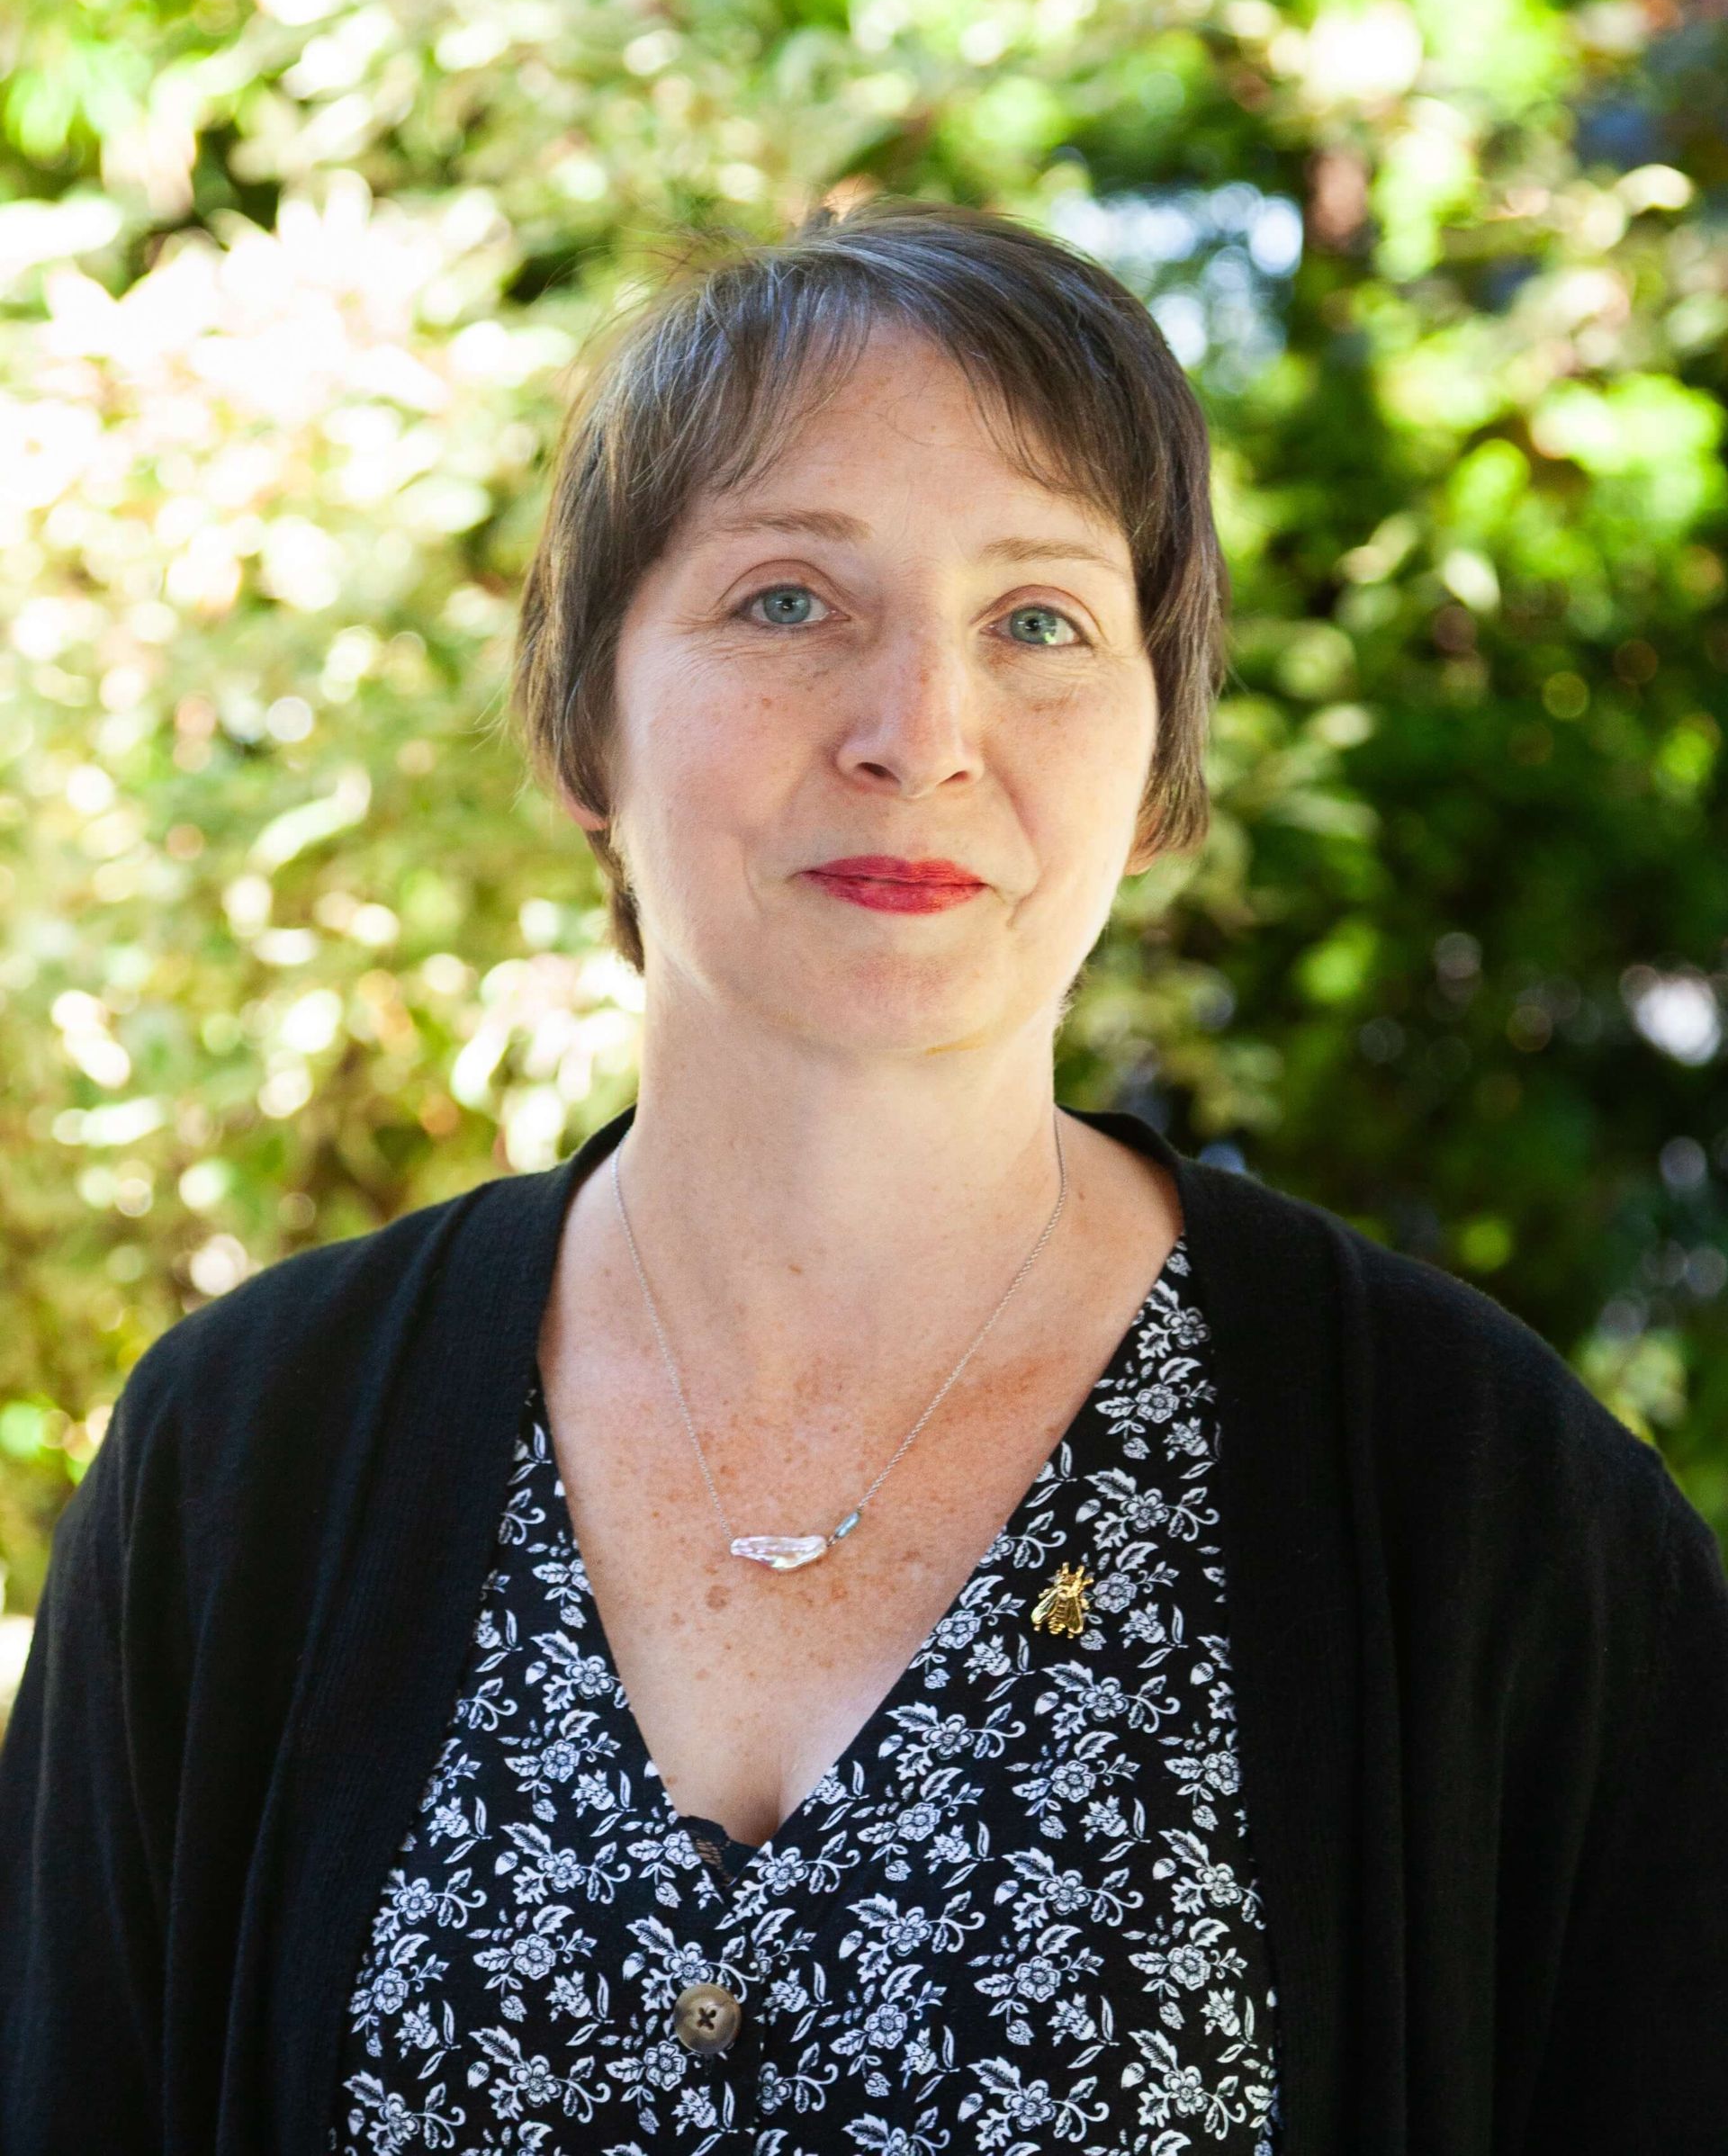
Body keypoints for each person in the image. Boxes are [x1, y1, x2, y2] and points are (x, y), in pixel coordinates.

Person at [2, 198, 1724, 2156]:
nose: (921, 734)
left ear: (1159, 767)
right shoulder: (247, 1455)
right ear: (582, 721)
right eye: (787, 601)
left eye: (1039, 621)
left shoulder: (1474, 1493)